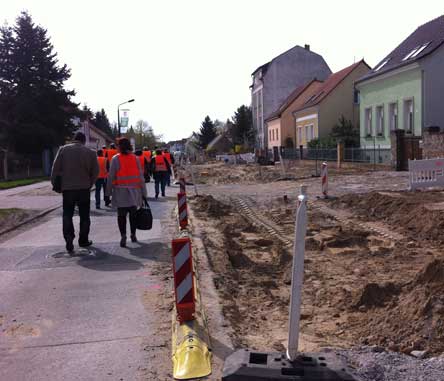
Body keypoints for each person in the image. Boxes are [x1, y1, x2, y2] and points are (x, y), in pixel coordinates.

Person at [51, 132, 99, 253]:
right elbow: (95, 172)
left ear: (74, 140)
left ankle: (68, 238)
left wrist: (55, 184)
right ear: (83, 141)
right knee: (84, 215)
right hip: (83, 188)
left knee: (67, 214)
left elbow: (55, 169)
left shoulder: (63, 150)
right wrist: (90, 183)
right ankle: (83, 240)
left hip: (67, 188)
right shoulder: (90, 153)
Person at [106, 138, 147, 248]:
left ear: (119, 146)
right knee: (133, 216)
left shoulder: (115, 159)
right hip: (134, 192)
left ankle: (123, 235)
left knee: (121, 216)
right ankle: (133, 234)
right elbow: (140, 177)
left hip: (120, 192)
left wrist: (108, 192)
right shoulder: (135, 158)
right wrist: (144, 193)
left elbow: (111, 177)